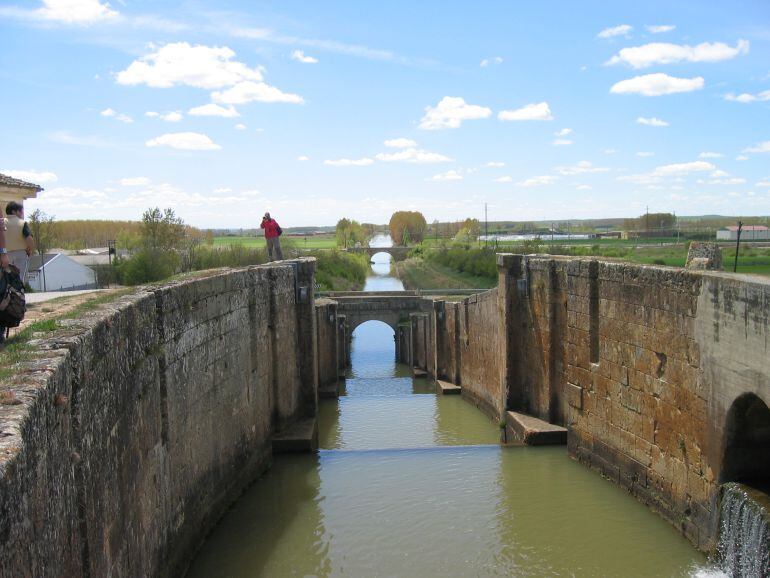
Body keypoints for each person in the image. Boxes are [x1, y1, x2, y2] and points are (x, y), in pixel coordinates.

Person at [4, 202, 34, 281]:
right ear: (14, 211)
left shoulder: (2, 223)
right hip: (20, 253)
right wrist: (30, 249)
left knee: (6, 277)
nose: (22, 213)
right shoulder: (22, 223)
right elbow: (29, 239)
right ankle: (19, 292)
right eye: (20, 211)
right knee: (20, 278)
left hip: (5, 254)